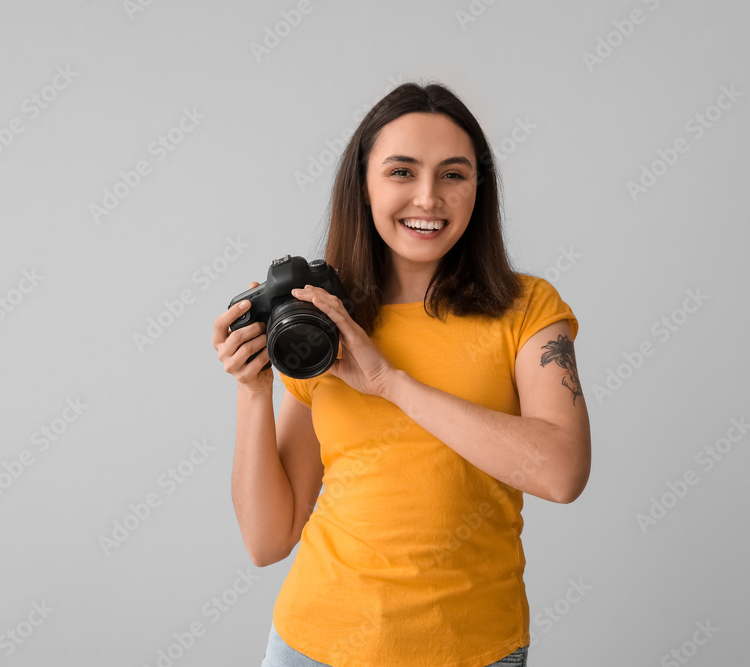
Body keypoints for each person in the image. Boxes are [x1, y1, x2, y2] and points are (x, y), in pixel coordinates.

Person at [212, 81, 591, 667]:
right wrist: (252, 391)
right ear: (363, 186)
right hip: (313, 646)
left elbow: (562, 471)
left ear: (478, 189)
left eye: (453, 174)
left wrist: (391, 383)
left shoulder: (527, 310)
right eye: (401, 172)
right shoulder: (324, 321)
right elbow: (268, 540)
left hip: (473, 651)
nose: (428, 198)